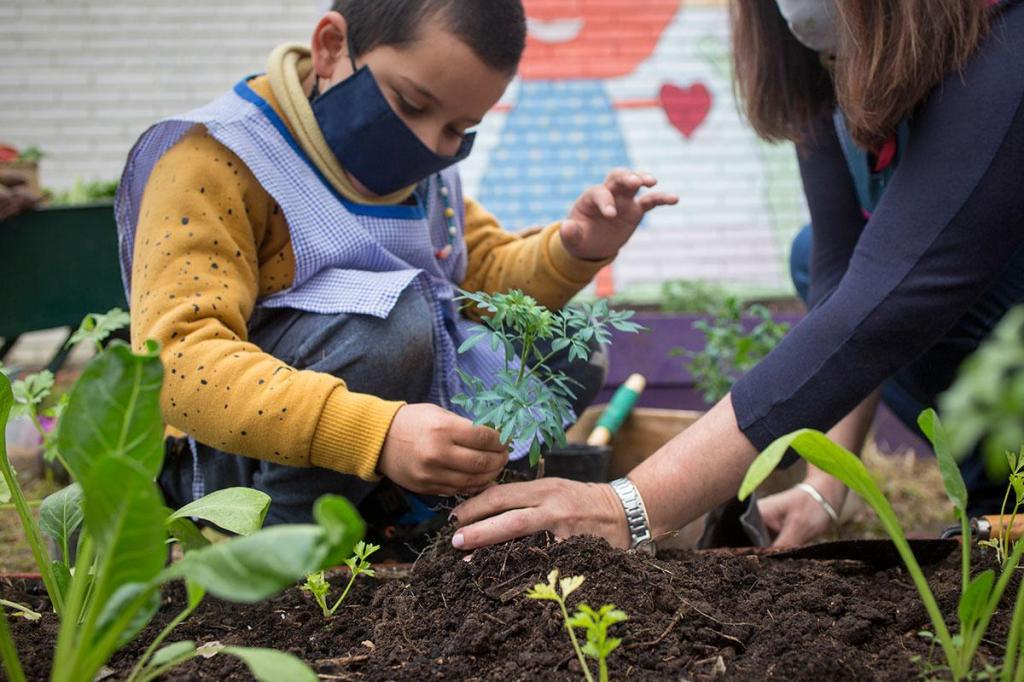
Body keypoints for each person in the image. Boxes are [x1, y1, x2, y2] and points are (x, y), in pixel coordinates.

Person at [451, 0, 1024, 552]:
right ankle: (995, 499)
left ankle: (1006, 492)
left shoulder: (1005, 37)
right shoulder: (829, 59)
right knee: (811, 254)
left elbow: (887, 305)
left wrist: (629, 506)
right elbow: (844, 285)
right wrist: (825, 485)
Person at [115, 0, 678, 529]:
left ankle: (416, 519)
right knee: (393, 325)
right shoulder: (218, 160)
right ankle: (273, 540)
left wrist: (574, 248)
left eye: (458, 129)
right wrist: (375, 434)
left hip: (386, 426)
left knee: (564, 348)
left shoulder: (423, 167)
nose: (430, 144)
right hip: (231, 462)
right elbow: (179, 360)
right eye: (411, 104)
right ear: (331, 48)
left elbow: (478, 275)